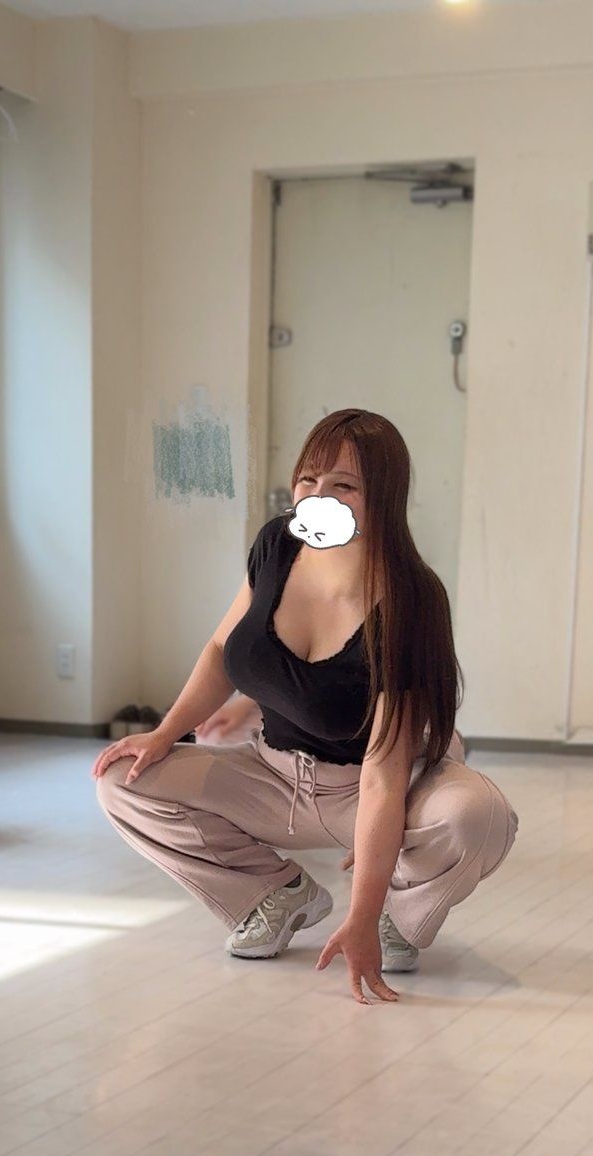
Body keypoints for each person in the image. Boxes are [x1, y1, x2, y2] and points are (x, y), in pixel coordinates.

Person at [93, 409, 518, 1005]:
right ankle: (274, 895)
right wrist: (165, 734)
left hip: (375, 785)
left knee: (478, 816)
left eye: (344, 485)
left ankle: (397, 914)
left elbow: (384, 776)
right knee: (123, 777)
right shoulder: (277, 544)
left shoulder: (411, 601)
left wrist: (362, 916)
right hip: (273, 774)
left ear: (384, 497)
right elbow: (221, 649)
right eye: (308, 479)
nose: (319, 497)